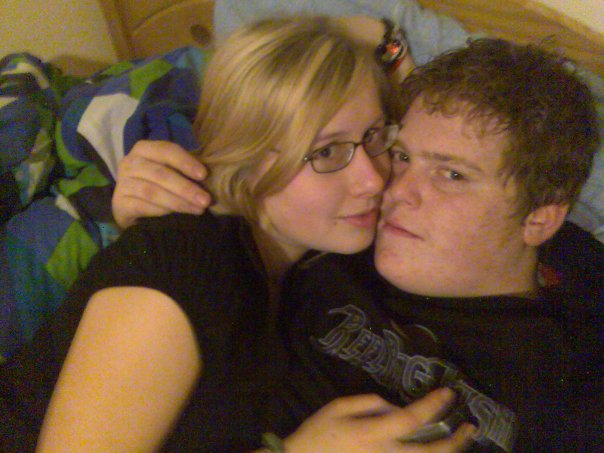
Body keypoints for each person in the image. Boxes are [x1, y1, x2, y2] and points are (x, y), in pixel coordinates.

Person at [10, 16, 476, 453]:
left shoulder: (304, 268)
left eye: (373, 137)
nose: (372, 180)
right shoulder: (188, 260)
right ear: (246, 160)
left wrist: (386, 44)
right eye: (326, 152)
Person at [113, 36, 602, 451]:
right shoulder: (340, 237)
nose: (393, 190)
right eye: (402, 156)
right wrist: (170, 191)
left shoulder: (576, 374)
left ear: (541, 218)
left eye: (452, 175)